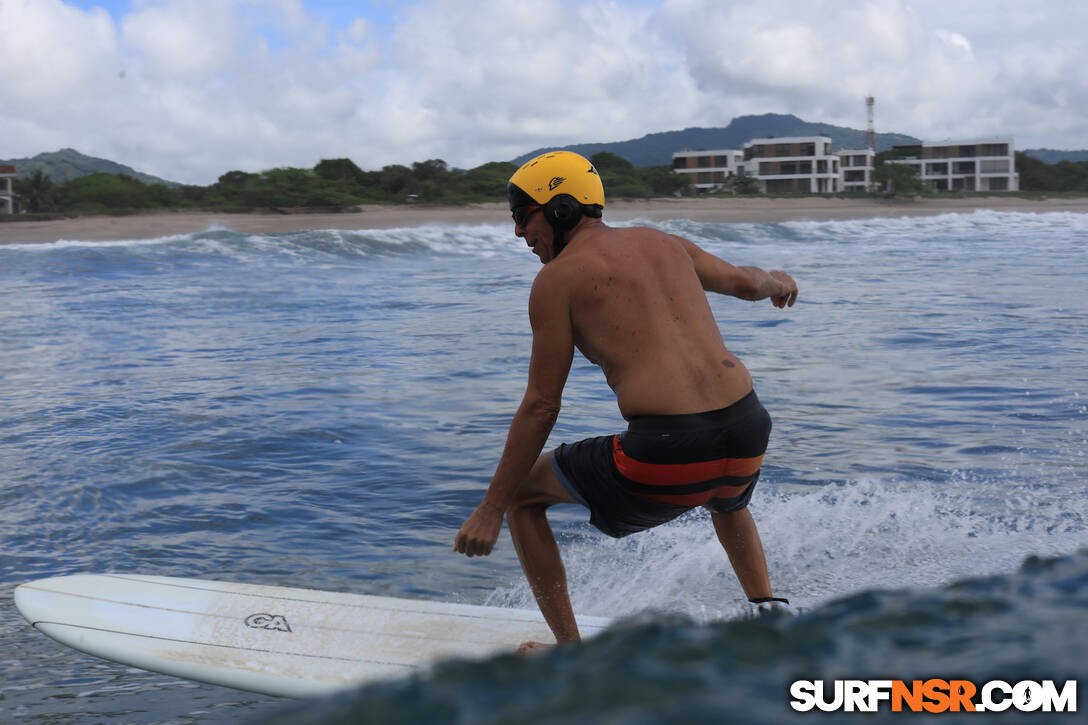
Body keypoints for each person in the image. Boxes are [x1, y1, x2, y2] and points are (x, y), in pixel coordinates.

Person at [453, 151, 798, 652]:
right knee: (727, 499)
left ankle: (569, 653)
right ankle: (767, 611)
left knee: (523, 496)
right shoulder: (665, 242)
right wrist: (778, 281)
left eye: (521, 217)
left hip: (671, 452)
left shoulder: (557, 280)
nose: (518, 234)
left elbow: (541, 406)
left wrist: (489, 507)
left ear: (560, 210)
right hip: (747, 428)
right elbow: (747, 283)